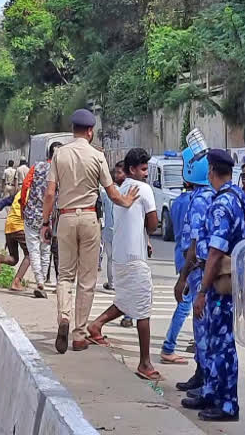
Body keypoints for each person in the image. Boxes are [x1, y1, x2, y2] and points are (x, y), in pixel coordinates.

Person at [41, 108, 139, 354]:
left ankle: (64, 317)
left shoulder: (59, 155)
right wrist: (127, 201)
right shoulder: (97, 156)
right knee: (86, 279)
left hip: (64, 218)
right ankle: (79, 334)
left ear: (73, 129)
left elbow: (50, 193)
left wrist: (45, 222)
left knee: (64, 276)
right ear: (90, 130)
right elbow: (110, 190)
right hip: (88, 217)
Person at [87, 148, 159, 379]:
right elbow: (153, 224)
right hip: (134, 257)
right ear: (132, 170)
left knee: (126, 299)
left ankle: (96, 325)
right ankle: (145, 363)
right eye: (143, 169)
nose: (146, 174)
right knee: (143, 309)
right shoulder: (143, 189)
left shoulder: (118, 190)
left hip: (120, 255)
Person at [190, 149, 245, 422]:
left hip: (220, 282)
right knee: (217, 342)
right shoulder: (240, 197)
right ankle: (212, 393)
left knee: (222, 343)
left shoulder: (222, 204)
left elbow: (215, 252)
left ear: (211, 170)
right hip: (232, 279)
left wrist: (202, 291)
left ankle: (227, 404)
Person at [175, 146, 215, 394]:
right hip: (205, 270)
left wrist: (183, 276)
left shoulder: (200, 199)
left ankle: (205, 379)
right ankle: (202, 374)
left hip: (200, 270)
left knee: (202, 327)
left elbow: (193, 244)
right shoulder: (210, 195)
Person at [159, 150, 196, 366]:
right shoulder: (197, 201)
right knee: (186, 304)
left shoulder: (178, 201)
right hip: (190, 260)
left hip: (181, 257)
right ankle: (169, 346)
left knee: (189, 302)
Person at [21, 142, 63, 299]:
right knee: (45, 248)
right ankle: (43, 281)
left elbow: (25, 186)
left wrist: (23, 208)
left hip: (32, 213)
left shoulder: (36, 167)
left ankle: (39, 281)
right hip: (50, 216)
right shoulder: (60, 171)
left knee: (33, 249)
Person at [0, 187, 31, 292]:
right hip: (19, 227)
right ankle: (16, 282)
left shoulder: (19, 193)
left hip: (9, 226)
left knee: (14, 259)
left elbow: (3, 202)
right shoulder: (34, 194)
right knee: (30, 254)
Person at [101, 161, 126, 290]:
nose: (117, 175)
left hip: (113, 229)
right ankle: (114, 283)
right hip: (114, 230)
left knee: (112, 258)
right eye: (115, 172)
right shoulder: (124, 191)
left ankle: (113, 283)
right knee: (114, 258)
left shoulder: (106, 192)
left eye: (119, 172)